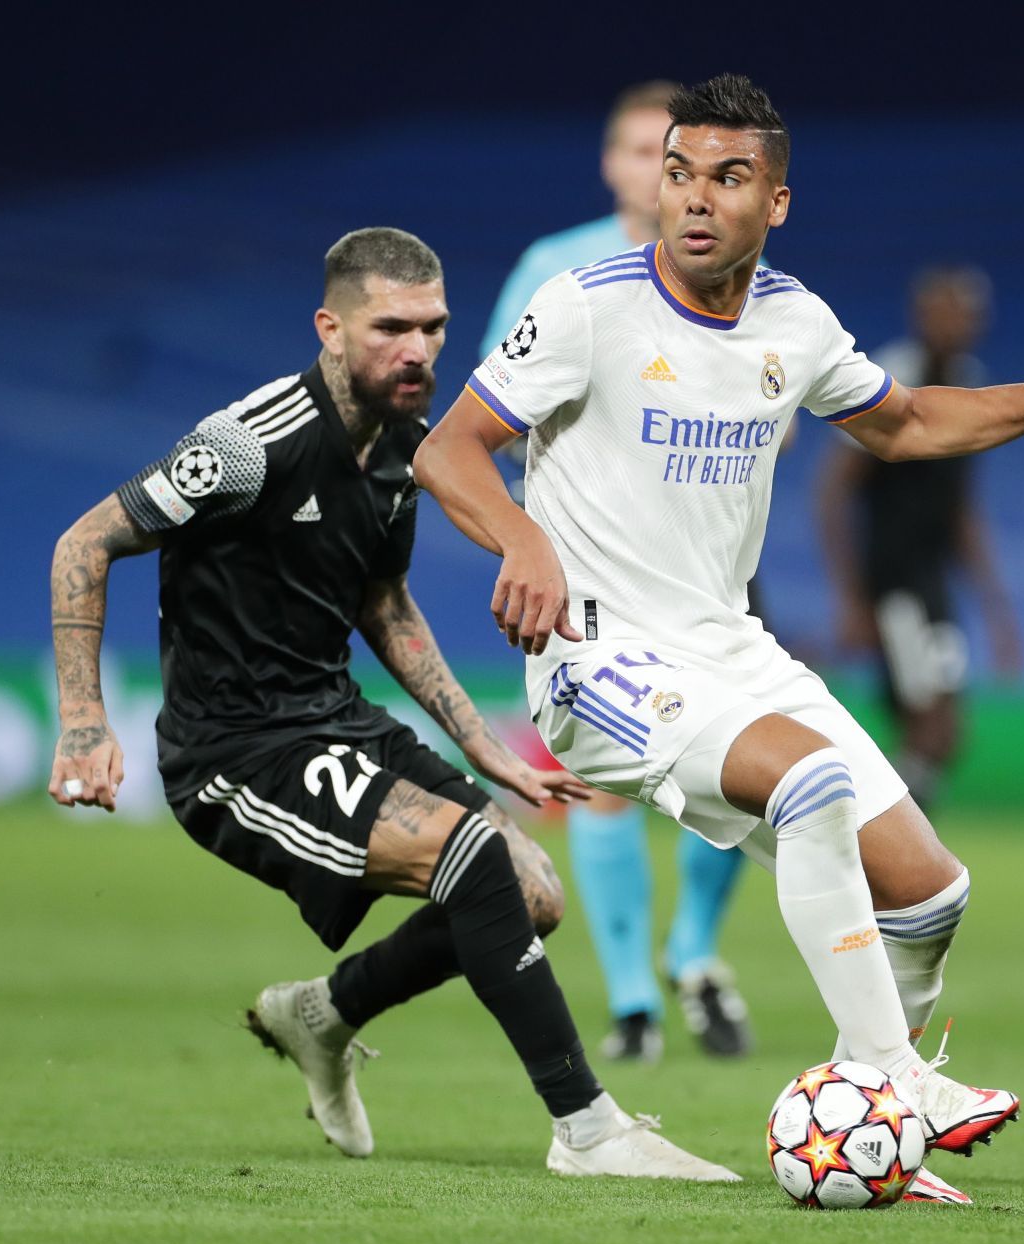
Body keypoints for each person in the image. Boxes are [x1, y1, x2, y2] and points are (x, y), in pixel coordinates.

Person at [414, 74, 1024, 1206]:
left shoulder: (793, 321)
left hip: (726, 648)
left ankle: (860, 1117)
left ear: (775, 201)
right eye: (678, 171)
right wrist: (522, 542)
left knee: (932, 894)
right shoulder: (587, 303)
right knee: (811, 782)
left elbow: (907, 420)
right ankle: (895, 1084)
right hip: (597, 663)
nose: (693, 198)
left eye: (728, 178)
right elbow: (448, 451)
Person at [45, 226, 733, 1182]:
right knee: (475, 856)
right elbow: (84, 543)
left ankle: (322, 1012)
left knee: (533, 895)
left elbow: (383, 602)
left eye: (434, 327)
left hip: (331, 719)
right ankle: (588, 1127)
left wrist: (474, 739)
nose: (417, 350)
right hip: (234, 753)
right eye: (391, 328)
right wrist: (83, 722)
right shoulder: (247, 446)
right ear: (330, 327)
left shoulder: (405, 445)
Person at [483, 81, 754, 1063]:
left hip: (709, 568)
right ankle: (637, 1002)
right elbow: (486, 421)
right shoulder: (555, 271)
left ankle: (692, 950)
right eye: (644, 152)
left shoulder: (734, 271)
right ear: (613, 164)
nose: (660, 172)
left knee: (752, 773)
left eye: (676, 155)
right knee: (606, 780)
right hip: (593, 572)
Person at [817, 266, 1022, 809]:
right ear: (921, 316)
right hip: (895, 584)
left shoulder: (969, 382)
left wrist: (996, 609)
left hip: (933, 587)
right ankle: (877, 835)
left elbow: (961, 508)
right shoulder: (892, 380)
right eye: (945, 311)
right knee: (929, 723)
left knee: (944, 732)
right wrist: (852, 597)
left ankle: (880, 835)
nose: (958, 323)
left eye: (968, 314)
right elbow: (833, 490)